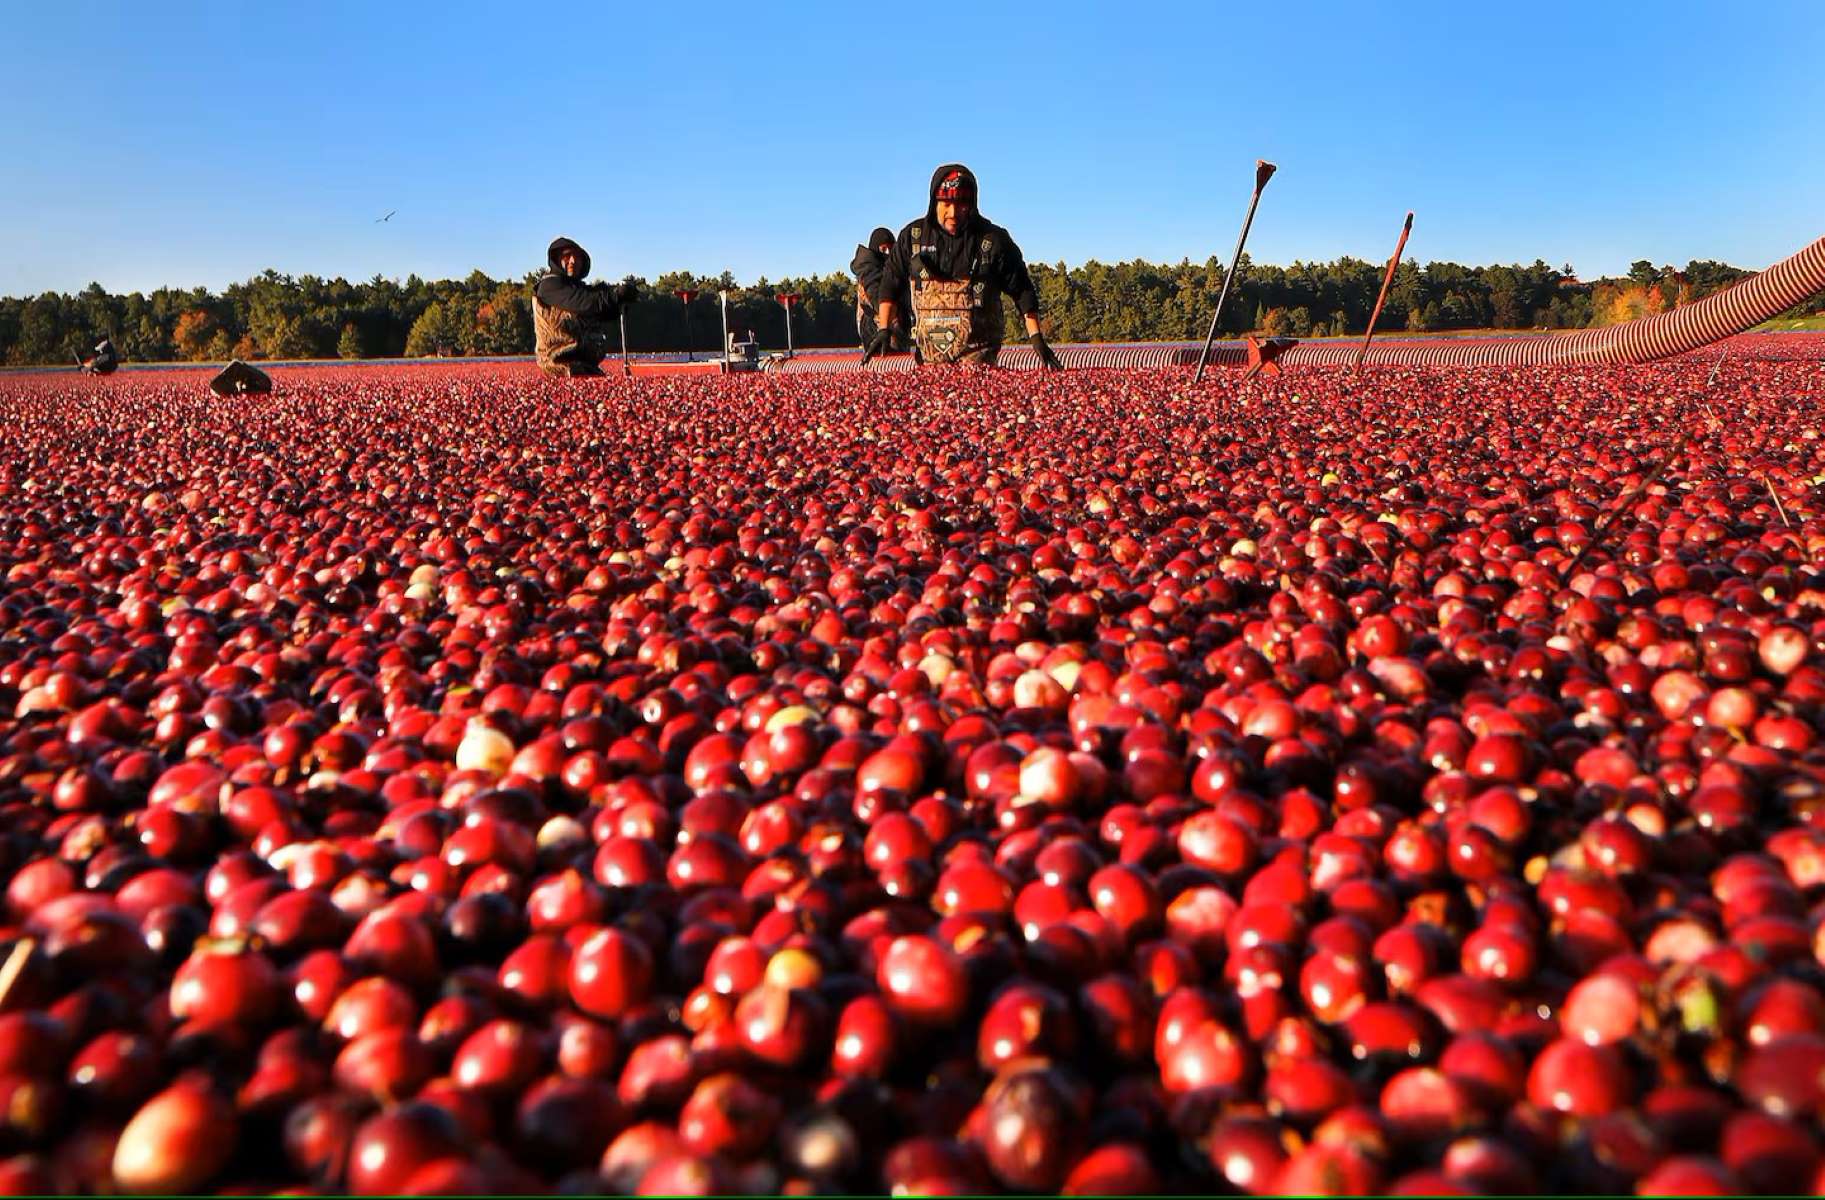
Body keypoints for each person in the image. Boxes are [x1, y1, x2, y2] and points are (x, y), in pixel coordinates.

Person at [865, 164, 1060, 369]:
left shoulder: (993, 240)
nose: (953, 213)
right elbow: (890, 283)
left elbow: (1022, 291)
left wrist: (1036, 338)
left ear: (973, 203)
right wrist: (884, 329)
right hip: (929, 363)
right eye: (946, 204)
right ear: (934, 202)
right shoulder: (912, 237)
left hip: (980, 361)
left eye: (962, 204)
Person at [532, 237, 639, 378]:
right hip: (558, 364)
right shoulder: (549, 286)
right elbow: (587, 303)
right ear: (557, 259)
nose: (573, 261)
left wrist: (622, 299)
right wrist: (615, 295)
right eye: (567, 256)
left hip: (584, 364)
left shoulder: (578, 288)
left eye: (577, 258)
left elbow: (602, 310)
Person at [851, 226, 909, 352]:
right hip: (873, 326)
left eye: (890, 249)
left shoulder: (894, 269)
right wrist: (891, 323)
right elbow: (876, 293)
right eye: (884, 249)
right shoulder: (868, 270)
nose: (887, 253)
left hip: (895, 324)